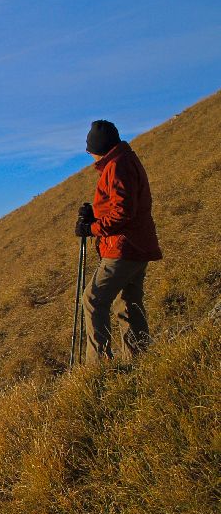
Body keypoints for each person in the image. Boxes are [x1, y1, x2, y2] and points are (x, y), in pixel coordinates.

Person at [75, 120, 162, 363]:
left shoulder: (117, 166)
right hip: (137, 244)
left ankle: (99, 366)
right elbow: (120, 204)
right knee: (128, 302)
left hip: (124, 246)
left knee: (92, 298)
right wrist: (95, 213)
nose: (90, 155)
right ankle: (139, 357)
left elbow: (123, 212)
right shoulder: (123, 161)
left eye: (90, 150)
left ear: (98, 148)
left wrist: (91, 228)